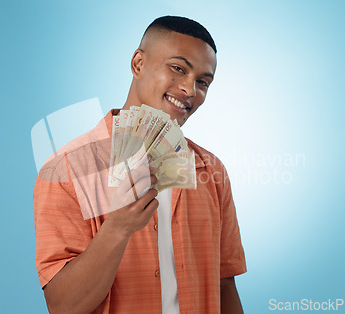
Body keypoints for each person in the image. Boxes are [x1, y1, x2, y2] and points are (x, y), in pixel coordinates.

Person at [34, 16, 246, 313]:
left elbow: (225, 286)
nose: (189, 89)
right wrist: (118, 228)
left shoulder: (210, 170)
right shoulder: (64, 170)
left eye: (202, 82)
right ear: (138, 64)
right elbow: (63, 306)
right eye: (178, 68)